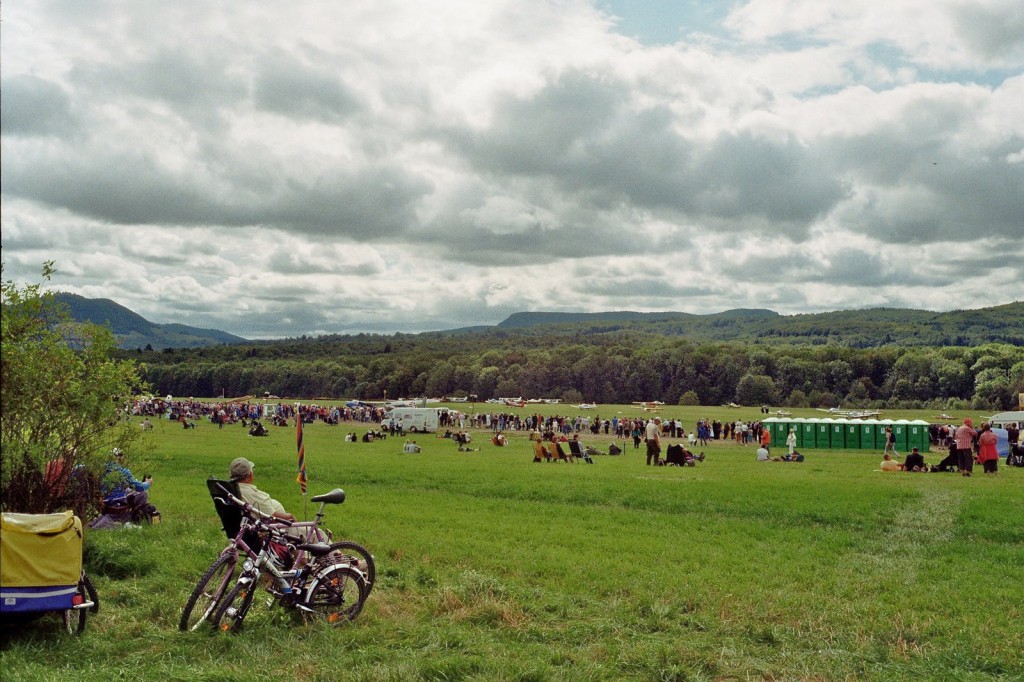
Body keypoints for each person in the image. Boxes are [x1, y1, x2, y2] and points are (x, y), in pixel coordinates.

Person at [229, 457, 296, 522]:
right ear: (250, 475)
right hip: (274, 529)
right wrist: (290, 517)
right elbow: (273, 517)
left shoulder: (229, 490)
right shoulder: (252, 494)